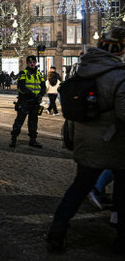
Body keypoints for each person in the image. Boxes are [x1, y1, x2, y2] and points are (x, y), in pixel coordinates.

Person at [47, 26, 125, 254]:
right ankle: (120, 242)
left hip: (85, 140)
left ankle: (57, 230)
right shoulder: (120, 75)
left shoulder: (82, 69)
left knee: (79, 187)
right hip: (115, 144)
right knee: (123, 190)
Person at [9, 55, 46, 148]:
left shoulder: (39, 74)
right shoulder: (23, 73)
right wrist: (33, 95)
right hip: (25, 101)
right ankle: (13, 139)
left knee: (33, 122)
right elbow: (21, 87)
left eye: (33, 62)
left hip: (35, 102)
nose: (32, 64)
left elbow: (43, 86)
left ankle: (33, 140)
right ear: (27, 63)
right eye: (30, 62)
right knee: (19, 121)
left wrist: (40, 95)